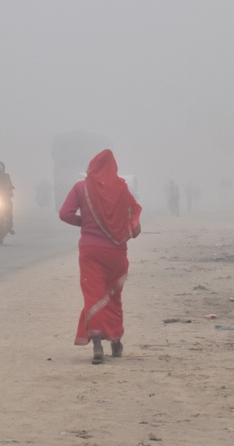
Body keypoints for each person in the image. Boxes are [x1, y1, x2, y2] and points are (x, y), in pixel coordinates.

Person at [59, 149, 142, 365]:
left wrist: (85, 224)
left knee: (93, 294)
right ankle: (116, 341)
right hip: (116, 253)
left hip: (90, 250)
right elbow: (134, 224)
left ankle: (97, 342)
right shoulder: (122, 190)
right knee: (113, 295)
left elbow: (64, 214)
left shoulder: (80, 188)